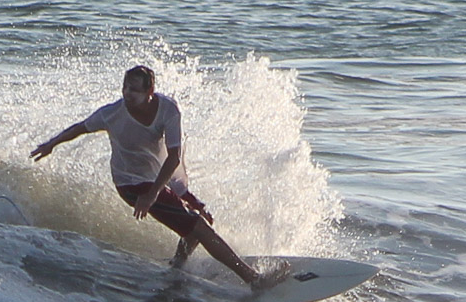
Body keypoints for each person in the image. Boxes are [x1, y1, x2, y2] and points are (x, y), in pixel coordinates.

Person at [30, 65, 287, 290]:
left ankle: (177, 267)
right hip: (130, 183)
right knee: (199, 227)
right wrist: (52, 144)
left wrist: (161, 192)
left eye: (135, 90)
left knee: (199, 220)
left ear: (150, 91)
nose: (127, 94)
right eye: (125, 87)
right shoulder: (111, 113)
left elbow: (173, 157)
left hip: (156, 180)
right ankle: (254, 280)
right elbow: (80, 128)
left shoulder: (167, 111)